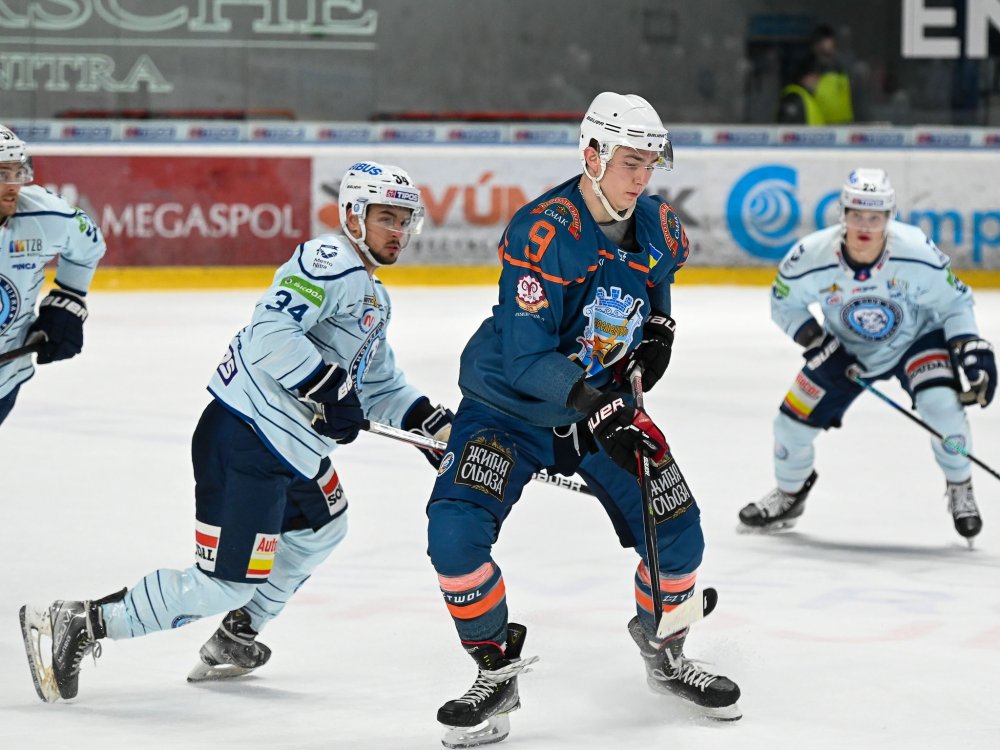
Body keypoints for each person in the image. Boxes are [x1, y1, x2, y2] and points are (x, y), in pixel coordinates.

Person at [18, 160, 454, 702]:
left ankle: (237, 634)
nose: (398, 232)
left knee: (323, 527)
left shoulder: (373, 295)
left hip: (291, 449)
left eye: (404, 221)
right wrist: (329, 389)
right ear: (351, 216)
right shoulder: (330, 261)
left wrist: (432, 424)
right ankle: (81, 621)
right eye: (386, 218)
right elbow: (270, 331)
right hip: (247, 438)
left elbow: (380, 383)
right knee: (223, 582)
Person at [424, 92, 741, 749]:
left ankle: (665, 650)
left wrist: (660, 326)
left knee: (679, 533)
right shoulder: (543, 233)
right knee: (454, 536)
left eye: (650, 163)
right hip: (508, 410)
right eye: (630, 161)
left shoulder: (658, 223)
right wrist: (601, 407)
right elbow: (524, 358)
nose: (642, 176)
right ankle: (494, 669)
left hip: (603, 405)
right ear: (591, 155)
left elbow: (656, 277)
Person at [739, 168, 995, 546]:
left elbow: (955, 303)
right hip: (844, 352)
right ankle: (790, 495)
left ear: (890, 217)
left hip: (915, 342)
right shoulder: (810, 256)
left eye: (875, 217)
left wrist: (969, 345)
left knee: (942, 406)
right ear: (842, 213)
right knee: (789, 426)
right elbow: (783, 304)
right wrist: (817, 344)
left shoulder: (918, 252)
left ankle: (960, 486)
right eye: (856, 214)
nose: (864, 225)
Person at [0, 124, 106, 425]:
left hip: (5, 379)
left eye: (17, 172)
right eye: (2, 175)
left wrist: (68, 299)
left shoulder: (46, 215)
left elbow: (88, 246)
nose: (14, 186)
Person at [809, 23, 855, 124]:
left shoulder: (842, 66)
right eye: (822, 42)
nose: (826, 45)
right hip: (819, 124)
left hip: (844, 124)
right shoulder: (809, 67)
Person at [776, 54, 825, 125]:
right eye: (814, 76)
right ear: (805, 77)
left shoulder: (807, 96)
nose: (817, 80)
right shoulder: (794, 97)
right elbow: (786, 125)